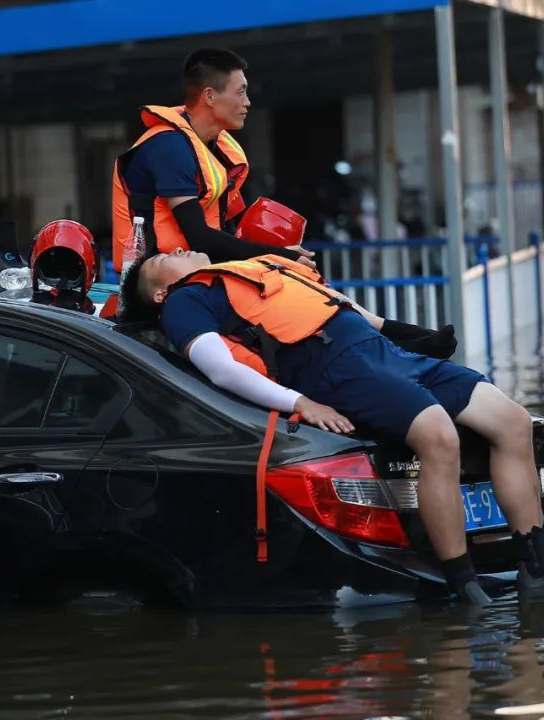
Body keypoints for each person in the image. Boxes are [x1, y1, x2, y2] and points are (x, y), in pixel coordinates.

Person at [122, 247, 544, 605]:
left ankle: (533, 564)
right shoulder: (184, 300)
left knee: (513, 422)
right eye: (161, 257)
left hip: (384, 353)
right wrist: (300, 401)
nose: (176, 249)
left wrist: (413, 335)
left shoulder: (261, 265)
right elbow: (221, 369)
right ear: (159, 291)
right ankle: (463, 583)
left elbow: (340, 305)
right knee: (440, 437)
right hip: (337, 368)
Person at [112, 47, 313, 272]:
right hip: (154, 283)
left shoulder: (211, 146)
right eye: (240, 92)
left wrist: (280, 252)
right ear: (209, 96)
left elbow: (222, 234)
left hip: (191, 271)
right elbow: (199, 238)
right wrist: (283, 257)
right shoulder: (169, 146)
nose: (247, 102)